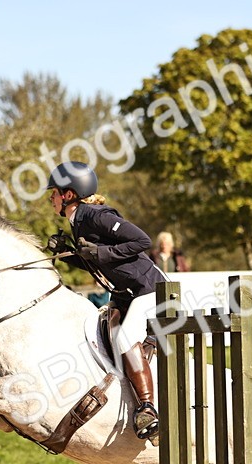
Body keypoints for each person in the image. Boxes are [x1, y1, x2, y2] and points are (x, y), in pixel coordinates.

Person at [43, 161, 165, 443]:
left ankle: (148, 409)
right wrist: (68, 254)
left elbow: (141, 240)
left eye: (55, 193)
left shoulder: (96, 216)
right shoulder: (77, 221)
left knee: (122, 339)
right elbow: (97, 263)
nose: (51, 198)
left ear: (69, 194)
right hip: (125, 294)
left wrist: (101, 252)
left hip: (150, 289)